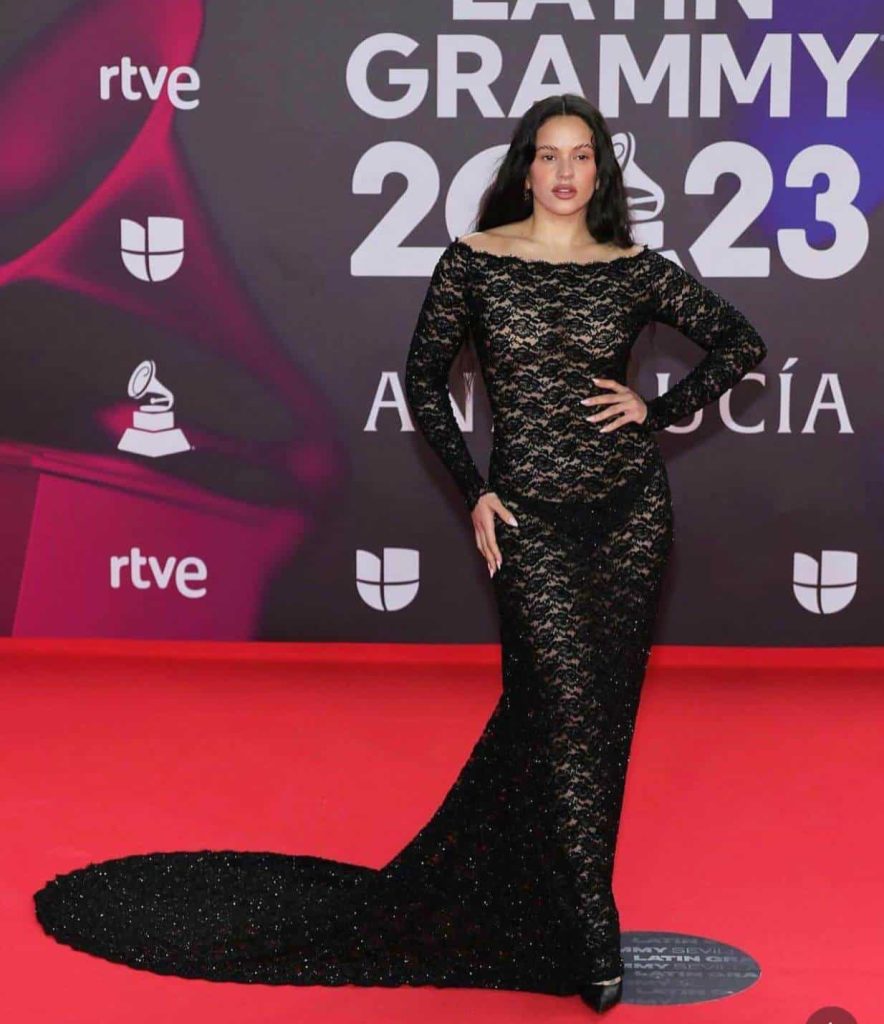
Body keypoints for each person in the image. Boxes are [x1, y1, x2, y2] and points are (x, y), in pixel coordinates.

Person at [32, 94, 766, 1015]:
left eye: (584, 157)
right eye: (550, 156)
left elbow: (741, 341)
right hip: (527, 519)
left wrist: (655, 411)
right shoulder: (477, 263)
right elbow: (423, 378)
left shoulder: (633, 271)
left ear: (601, 175)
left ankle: (570, 905)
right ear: (525, 168)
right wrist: (476, 492)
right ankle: (588, 920)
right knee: (564, 715)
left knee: (597, 729)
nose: (567, 173)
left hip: (628, 520)